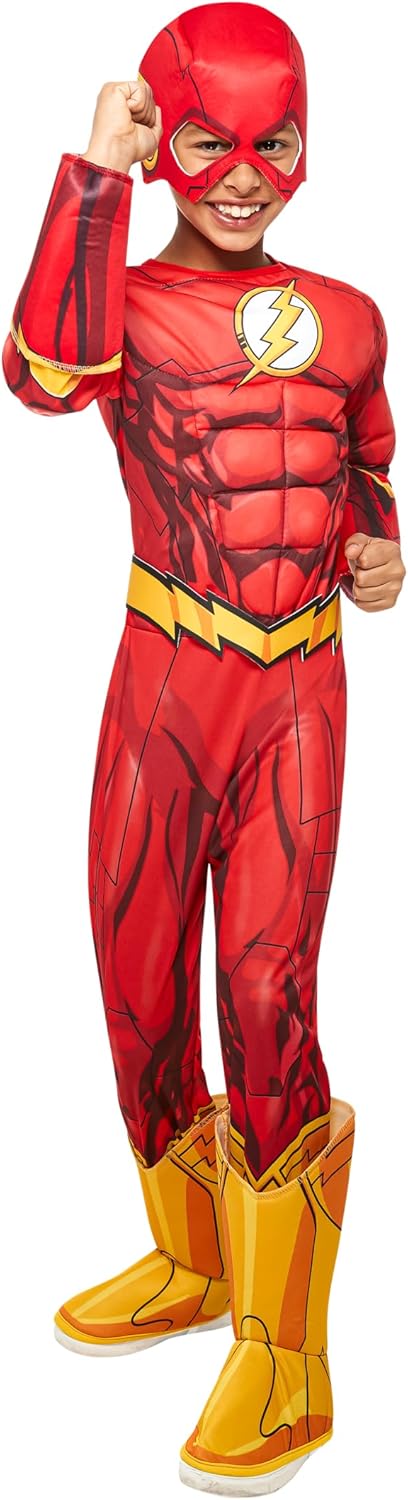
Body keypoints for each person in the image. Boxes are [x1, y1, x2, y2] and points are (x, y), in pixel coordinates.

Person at [2, 3, 405, 1493]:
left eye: (272, 141)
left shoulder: (349, 312)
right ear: (167, 143)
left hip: (296, 686)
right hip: (163, 672)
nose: (242, 174)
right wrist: (92, 174)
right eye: (207, 141)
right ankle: (193, 1261)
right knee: (136, 969)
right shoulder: (122, 302)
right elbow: (42, 378)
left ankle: (288, 1353)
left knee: (267, 990)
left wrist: (380, 548)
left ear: (306, 145)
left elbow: (364, 467)